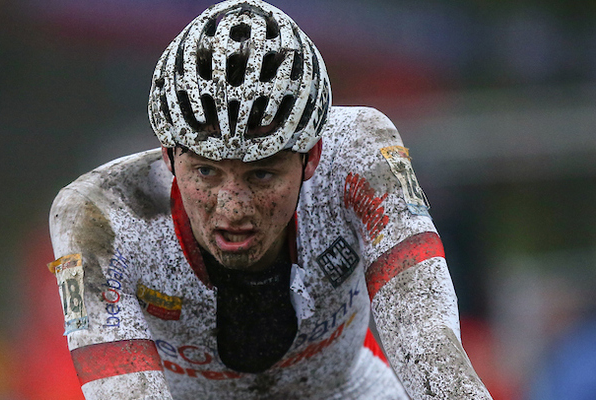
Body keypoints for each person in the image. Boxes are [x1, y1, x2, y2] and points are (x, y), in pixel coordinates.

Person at [47, 1, 492, 398]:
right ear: (168, 157)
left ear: (312, 157)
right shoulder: (97, 217)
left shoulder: (359, 153)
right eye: (206, 171)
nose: (234, 207)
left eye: (261, 173)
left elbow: (430, 350)